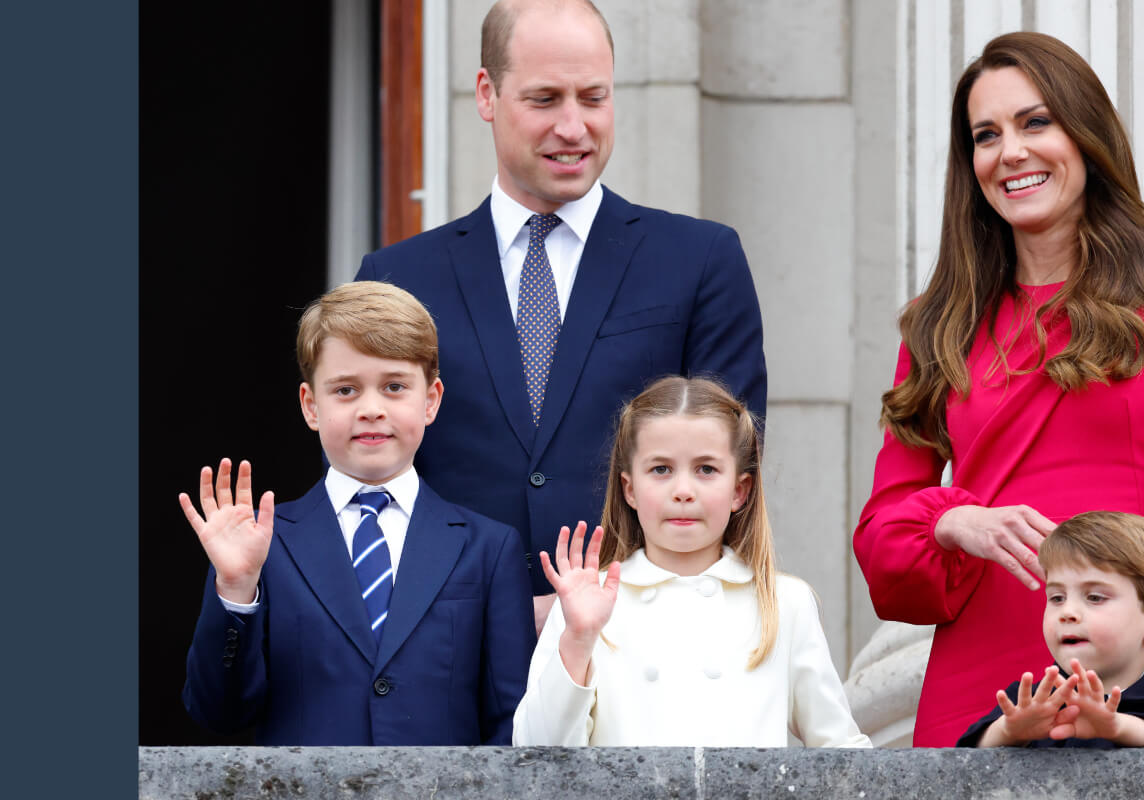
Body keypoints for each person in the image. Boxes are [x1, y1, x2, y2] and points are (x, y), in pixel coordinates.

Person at [852, 31, 1144, 747]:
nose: (1011, 152)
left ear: (1086, 134)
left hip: (1115, 685)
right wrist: (955, 521)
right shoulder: (936, 325)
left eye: (1036, 122)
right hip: (973, 696)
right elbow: (884, 542)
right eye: (986, 135)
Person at [356, 0, 767, 636]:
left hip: (643, 651)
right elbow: (368, 487)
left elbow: (730, 470)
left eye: (593, 98)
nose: (573, 127)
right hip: (447, 658)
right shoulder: (397, 279)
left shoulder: (700, 261)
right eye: (545, 99)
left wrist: (611, 602)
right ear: (487, 94)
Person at [179, 281, 535, 745]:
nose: (371, 409)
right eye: (345, 390)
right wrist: (235, 590)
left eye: (394, 387)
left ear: (430, 400)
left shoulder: (488, 548)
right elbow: (217, 712)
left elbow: (513, 722)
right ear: (311, 405)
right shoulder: (264, 544)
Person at [512, 376, 870, 747]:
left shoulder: (784, 602)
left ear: (739, 490)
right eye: (661, 469)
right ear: (629, 489)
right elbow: (536, 754)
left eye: (706, 470)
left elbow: (840, 752)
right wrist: (579, 639)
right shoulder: (585, 602)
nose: (683, 491)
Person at [957, 511, 1144, 748]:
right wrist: (1009, 731)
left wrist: (1117, 726)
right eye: (1057, 598)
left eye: (1094, 597)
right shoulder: (1030, 703)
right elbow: (959, 766)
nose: (1067, 612)